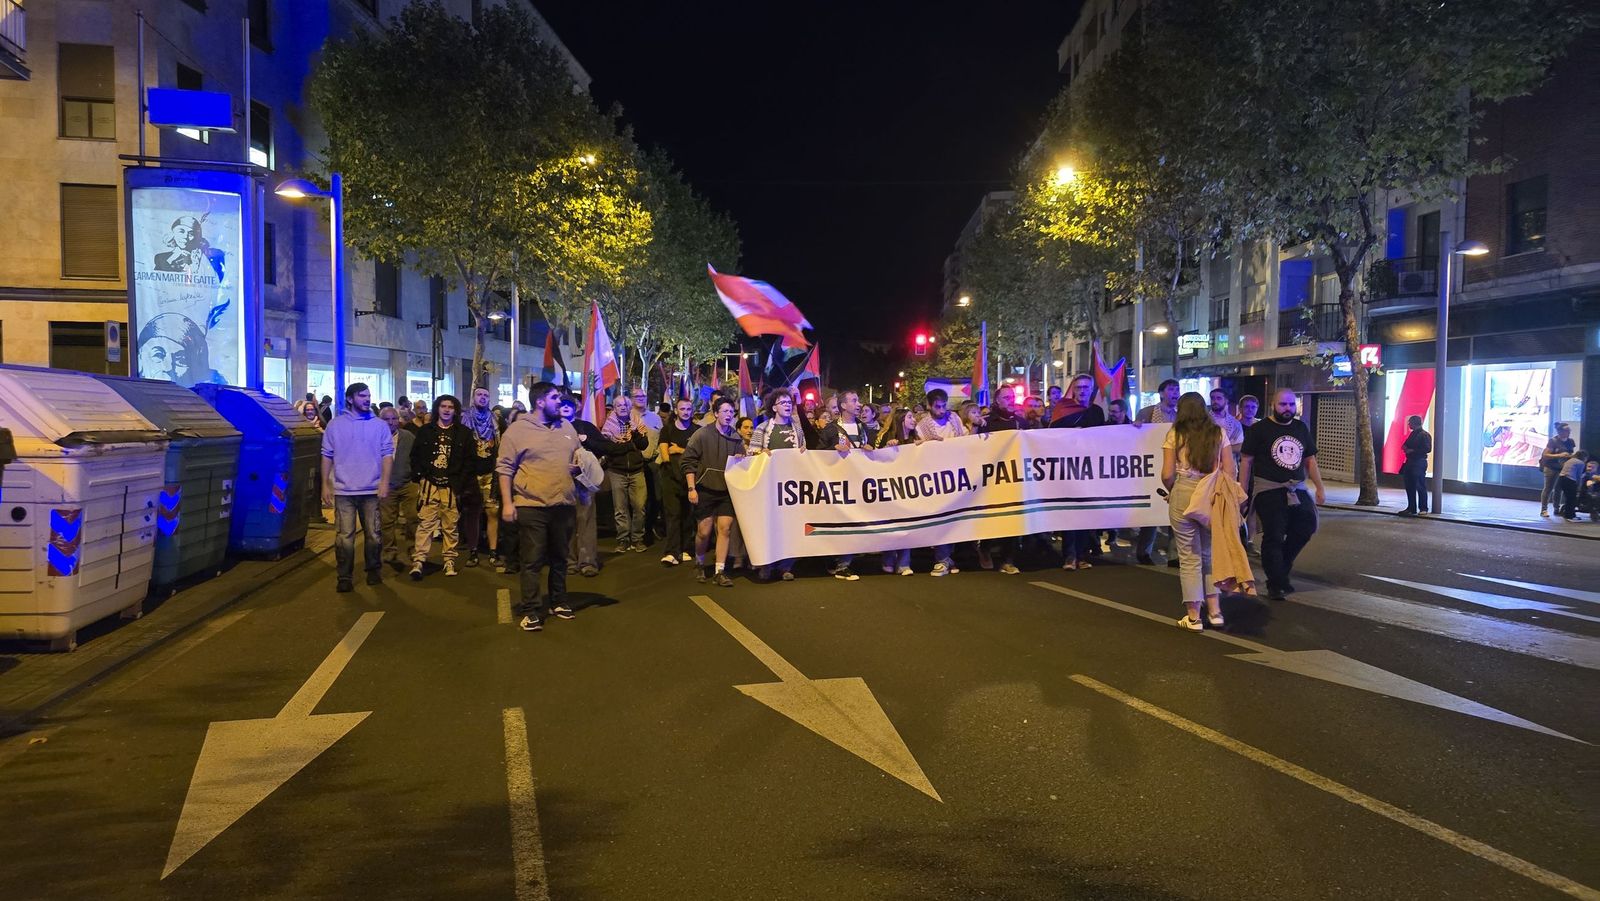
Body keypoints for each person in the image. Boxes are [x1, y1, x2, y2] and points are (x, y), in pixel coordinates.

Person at [498, 382, 584, 633]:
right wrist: (507, 503)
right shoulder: (516, 431)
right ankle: (532, 610)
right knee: (532, 560)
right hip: (531, 505)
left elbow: (577, 459)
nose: (561, 402)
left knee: (560, 558)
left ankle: (558, 601)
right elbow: (504, 469)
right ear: (540, 402)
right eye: (555, 397)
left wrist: (578, 469)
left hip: (563, 504)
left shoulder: (567, 427)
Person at [1240, 389, 1326, 601]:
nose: (1287, 409)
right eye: (1282, 404)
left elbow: (1310, 460)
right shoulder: (1259, 429)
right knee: (1274, 536)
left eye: (1290, 404)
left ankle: (1281, 570)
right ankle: (1276, 583)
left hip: (1297, 488)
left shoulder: (1300, 427)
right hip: (1269, 490)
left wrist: (1320, 487)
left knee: (1306, 527)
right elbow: (1246, 461)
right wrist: (1241, 492)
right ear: (1273, 405)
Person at [1163, 392, 1238, 630]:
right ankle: (1215, 612)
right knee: (1209, 553)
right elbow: (1230, 470)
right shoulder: (1219, 433)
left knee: (1189, 557)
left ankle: (1194, 616)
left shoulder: (1175, 434)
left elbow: (1167, 474)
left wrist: (1173, 490)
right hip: (1211, 493)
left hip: (1183, 491)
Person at [320, 383, 394, 592]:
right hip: (344, 491)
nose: (367, 399)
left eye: (369, 395)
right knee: (344, 537)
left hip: (371, 490)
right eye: (362, 395)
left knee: (373, 534)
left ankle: (373, 570)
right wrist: (325, 484)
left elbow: (387, 454)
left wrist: (384, 482)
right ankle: (344, 576)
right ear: (350, 398)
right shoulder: (335, 425)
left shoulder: (379, 425)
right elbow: (326, 455)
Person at [683, 397, 745, 587]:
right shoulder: (702, 434)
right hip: (705, 489)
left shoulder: (736, 438)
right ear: (716, 413)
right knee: (704, 531)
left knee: (725, 528)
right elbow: (688, 462)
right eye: (724, 411)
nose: (728, 415)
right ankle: (700, 563)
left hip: (726, 490)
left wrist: (742, 459)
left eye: (731, 412)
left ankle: (720, 570)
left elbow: (742, 465)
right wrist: (691, 488)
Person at [408, 394, 471, 579]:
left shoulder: (463, 433)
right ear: (438, 408)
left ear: (455, 410)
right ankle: (419, 560)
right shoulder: (426, 431)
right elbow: (415, 456)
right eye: (443, 406)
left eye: (450, 407)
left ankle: (449, 560)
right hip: (430, 484)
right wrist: (420, 477)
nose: (446, 409)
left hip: (451, 486)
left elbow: (469, 461)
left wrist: (460, 482)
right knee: (425, 524)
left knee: (450, 525)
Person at [1051, 375, 1106, 570]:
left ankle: (1082, 554)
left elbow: (1107, 435)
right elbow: (1051, 436)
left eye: (1086, 387)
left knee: (1085, 513)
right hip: (1067, 468)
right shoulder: (1062, 410)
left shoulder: (1097, 412)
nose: (1082, 391)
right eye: (1078, 387)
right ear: (1073, 390)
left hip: (1090, 469)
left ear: (1091, 390)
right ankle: (1069, 555)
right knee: (1070, 512)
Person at [750, 388, 807, 581]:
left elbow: (803, 453)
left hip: (791, 487)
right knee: (768, 526)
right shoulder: (763, 428)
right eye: (783, 402)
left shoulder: (797, 428)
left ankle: (785, 566)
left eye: (789, 402)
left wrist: (803, 452)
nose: (788, 405)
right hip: (769, 486)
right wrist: (761, 453)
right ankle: (766, 564)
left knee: (790, 527)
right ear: (774, 407)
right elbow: (752, 453)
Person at [819, 389, 874, 581]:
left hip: (858, 484)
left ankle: (844, 564)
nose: (859, 404)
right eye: (854, 401)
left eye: (858, 401)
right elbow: (817, 454)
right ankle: (834, 560)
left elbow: (871, 451)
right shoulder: (831, 429)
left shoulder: (862, 428)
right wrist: (832, 449)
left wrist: (869, 449)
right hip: (837, 484)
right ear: (843, 406)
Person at [916, 388, 967, 576]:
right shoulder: (922, 426)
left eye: (944, 406)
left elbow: (965, 440)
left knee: (954, 519)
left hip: (957, 474)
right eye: (938, 406)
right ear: (929, 406)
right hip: (936, 477)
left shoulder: (954, 419)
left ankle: (947, 557)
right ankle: (941, 559)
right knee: (941, 518)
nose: (941, 410)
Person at [558, 395, 609, 577]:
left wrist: (587, 441)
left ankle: (587, 562)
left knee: (586, 521)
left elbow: (605, 447)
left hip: (584, 483)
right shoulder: (551, 428)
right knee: (566, 523)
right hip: (561, 483)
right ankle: (569, 562)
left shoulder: (586, 426)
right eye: (561, 404)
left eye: (568, 404)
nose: (565, 407)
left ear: (576, 407)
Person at [1134, 378, 1182, 565]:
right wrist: (1136, 427)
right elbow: (1135, 437)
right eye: (1171, 389)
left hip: (1174, 467)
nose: (1175, 393)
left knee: (1175, 511)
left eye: (1177, 389)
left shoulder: (1179, 416)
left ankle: (1174, 556)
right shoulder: (1147, 413)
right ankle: (1144, 551)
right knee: (1153, 511)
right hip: (1152, 469)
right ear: (1162, 393)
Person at [601, 393, 656, 553]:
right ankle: (623, 540)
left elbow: (643, 445)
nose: (622, 408)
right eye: (619, 406)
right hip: (617, 471)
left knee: (639, 507)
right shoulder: (609, 425)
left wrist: (635, 431)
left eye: (625, 406)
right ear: (615, 408)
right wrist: (628, 446)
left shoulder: (637, 422)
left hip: (636, 471)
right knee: (620, 509)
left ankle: (637, 538)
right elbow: (610, 448)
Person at [461, 386, 503, 568]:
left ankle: (493, 551)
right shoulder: (464, 419)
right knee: (472, 514)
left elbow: (501, 445)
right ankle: (473, 551)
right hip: (471, 474)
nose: (483, 398)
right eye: (479, 394)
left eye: (486, 395)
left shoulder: (495, 419)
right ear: (473, 397)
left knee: (493, 512)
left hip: (490, 472)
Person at [656, 398, 699, 567]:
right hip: (670, 477)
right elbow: (665, 452)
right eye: (682, 409)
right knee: (673, 514)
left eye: (689, 409)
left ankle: (687, 549)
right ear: (676, 410)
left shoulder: (697, 431)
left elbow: (697, 454)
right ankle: (671, 552)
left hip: (690, 479)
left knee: (688, 515)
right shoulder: (667, 429)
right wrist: (673, 458)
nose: (686, 412)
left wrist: (680, 450)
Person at [378, 404, 417, 566]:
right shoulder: (375, 438)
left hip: (408, 483)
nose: (391, 422)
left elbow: (416, 457)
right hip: (386, 485)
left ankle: (413, 548)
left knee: (413, 517)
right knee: (387, 520)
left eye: (394, 418)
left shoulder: (408, 436)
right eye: (386, 419)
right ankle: (389, 550)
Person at [1398, 415, 1433, 516]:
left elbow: (1427, 449)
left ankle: (1423, 508)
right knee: (1409, 485)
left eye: (1410, 422)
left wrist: (1413, 450)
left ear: (1414, 423)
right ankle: (1411, 508)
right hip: (1410, 461)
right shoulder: (1413, 434)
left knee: (1419, 484)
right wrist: (1405, 448)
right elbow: (1405, 444)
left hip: (1419, 461)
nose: (1408, 424)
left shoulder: (1424, 435)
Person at [1540, 422, 1576, 516]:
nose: (1569, 432)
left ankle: (1557, 508)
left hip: (1562, 468)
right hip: (1551, 467)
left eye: (1569, 430)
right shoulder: (1553, 441)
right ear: (1560, 431)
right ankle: (1544, 509)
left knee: (1559, 489)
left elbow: (1571, 452)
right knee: (1548, 488)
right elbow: (1546, 454)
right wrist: (1560, 455)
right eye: (1566, 430)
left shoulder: (1570, 441)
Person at [1210, 388, 1245, 459]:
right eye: (1212, 398)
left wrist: (1219, 449)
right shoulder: (1203, 421)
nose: (1215, 401)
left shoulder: (1235, 423)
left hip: (1229, 461)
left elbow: (1239, 446)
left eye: (1219, 398)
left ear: (1226, 401)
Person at [1556, 449, 1590, 521]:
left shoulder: (1570, 460)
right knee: (1572, 498)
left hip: (1561, 479)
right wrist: (1578, 485)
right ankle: (1569, 515)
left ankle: (1570, 514)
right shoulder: (1581, 463)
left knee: (1568, 498)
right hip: (1569, 480)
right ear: (1584, 457)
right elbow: (1578, 475)